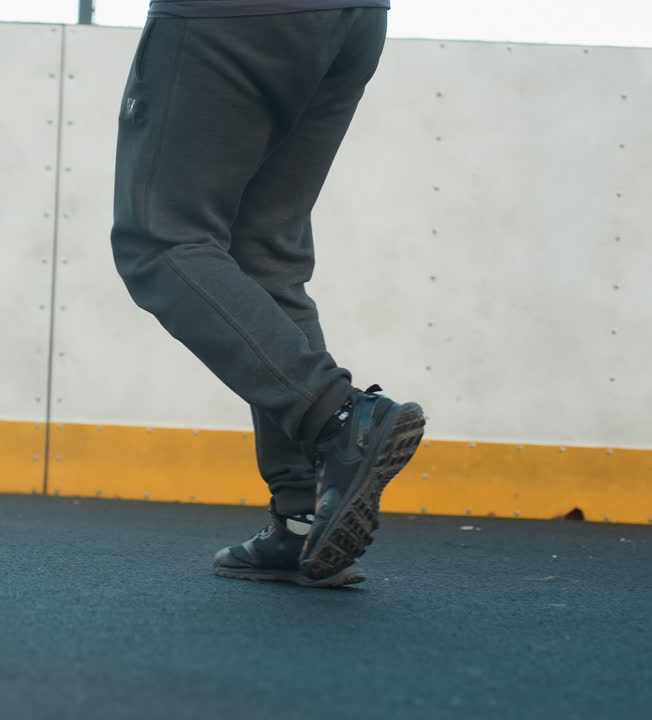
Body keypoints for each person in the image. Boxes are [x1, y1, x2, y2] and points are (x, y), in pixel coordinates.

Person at [110, 0, 425, 588]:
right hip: (353, 19)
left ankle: (338, 417)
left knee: (159, 241)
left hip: (230, 17)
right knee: (264, 257)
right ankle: (305, 515)